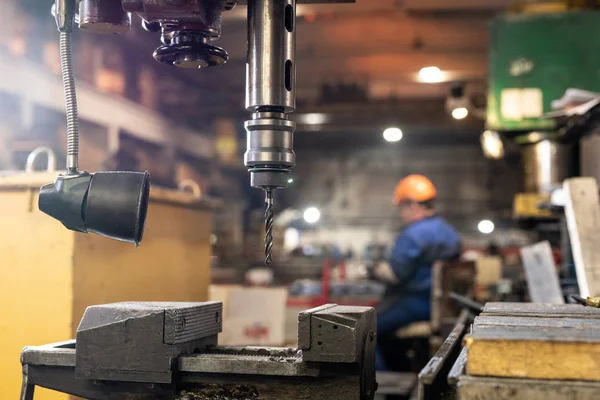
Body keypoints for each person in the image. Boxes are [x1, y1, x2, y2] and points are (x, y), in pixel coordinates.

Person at [371, 174, 461, 370]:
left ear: (413, 206)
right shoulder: (448, 232)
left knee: (365, 329)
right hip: (441, 305)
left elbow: (396, 274)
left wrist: (374, 270)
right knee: (386, 333)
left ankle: (380, 384)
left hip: (414, 304)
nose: (401, 214)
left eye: (402, 208)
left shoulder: (412, 235)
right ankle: (399, 374)